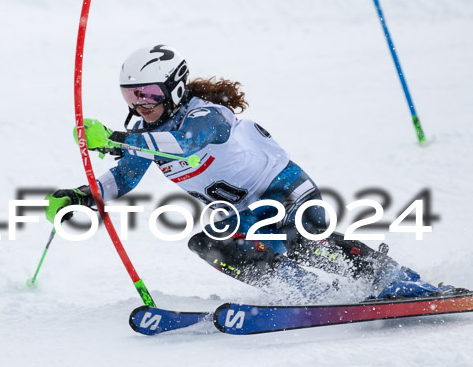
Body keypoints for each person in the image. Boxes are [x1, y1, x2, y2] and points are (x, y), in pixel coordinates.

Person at [47, 44, 455, 302]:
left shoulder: (209, 115)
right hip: (244, 213)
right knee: (210, 244)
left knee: (307, 241)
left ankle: (398, 279)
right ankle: (316, 296)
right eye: (130, 96)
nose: (140, 105)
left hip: (286, 193)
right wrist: (84, 196)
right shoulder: (142, 135)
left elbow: (187, 143)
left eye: (148, 94)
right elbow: (124, 177)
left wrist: (117, 137)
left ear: (173, 88)